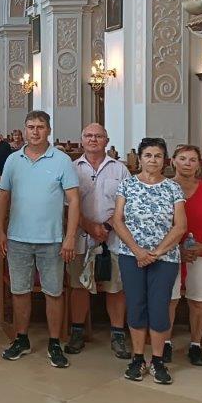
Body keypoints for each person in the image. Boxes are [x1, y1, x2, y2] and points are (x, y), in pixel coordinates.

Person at [0, 111, 79, 369]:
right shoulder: (13, 160)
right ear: (23, 130)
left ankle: (54, 342)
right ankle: (21, 338)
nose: (35, 132)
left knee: (53, 291)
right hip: (18, 237)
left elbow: (74, 200)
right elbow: (3, 197)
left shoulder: (63, 161)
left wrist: (70, 237)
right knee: (19, 290)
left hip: (52, 239)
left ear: (48, 130)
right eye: (30, 127)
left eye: (40, 127)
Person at [113, 138, 186, 385]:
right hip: (131, 255)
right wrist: (137, 251)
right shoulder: (127, 185)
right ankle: (137, 358)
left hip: (165, 258)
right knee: (136, 305)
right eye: (148, 155)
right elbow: (118, 220)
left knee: (159, 306)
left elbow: (180, 226)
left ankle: (157, 360)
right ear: (140, 158)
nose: (152, 160)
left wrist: (155, 252)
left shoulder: (173, 188)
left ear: (164, 160)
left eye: (157, 156)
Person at [64, 123, 131, 358]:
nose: (93, 139)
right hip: (81, 236)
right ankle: (77, 332)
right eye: (89, 136)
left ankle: (117, 334)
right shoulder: (71, 168)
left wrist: (105, 226)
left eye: (98, 136)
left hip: (113, 238)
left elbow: (127, 203)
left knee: (116, 288)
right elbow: (67, 204)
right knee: (78, 286)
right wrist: (89, 226)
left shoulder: (120, 170)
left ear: (106, 140)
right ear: (82, 140)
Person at [169, 144, 202, 366]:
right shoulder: (165, 187)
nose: (187, 164)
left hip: (200, 253)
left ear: (198, 165)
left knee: (198, 300)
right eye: (183, 158)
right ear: (173, 161)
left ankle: (196, 345)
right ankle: (164, 344)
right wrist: (176, 249)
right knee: (169, 300)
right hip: (170, 253)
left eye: (192, 160)